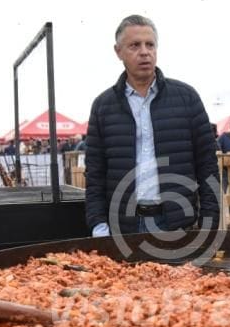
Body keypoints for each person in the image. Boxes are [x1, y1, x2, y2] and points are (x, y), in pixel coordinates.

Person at [85, 14, 219, 236]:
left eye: (150, 44)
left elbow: (207, 165)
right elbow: (95, 173)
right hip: (122, 227)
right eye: (135, 45)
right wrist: (98, 225)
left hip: (176, 224)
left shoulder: (186, 98)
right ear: (118, 51)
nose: (144, 52)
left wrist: (209, 224)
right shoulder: (103, 106)